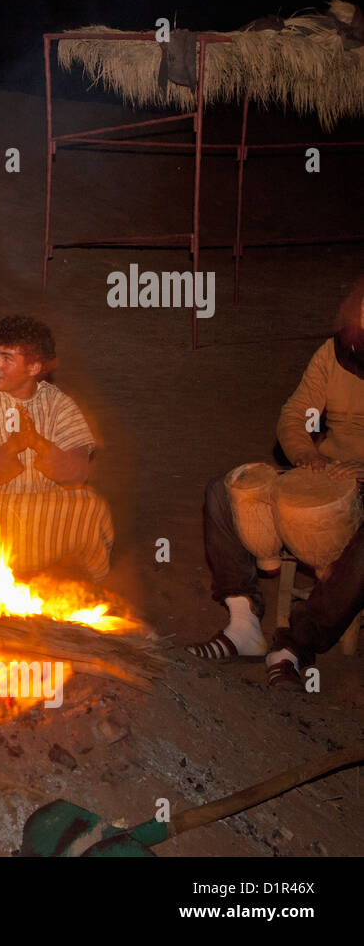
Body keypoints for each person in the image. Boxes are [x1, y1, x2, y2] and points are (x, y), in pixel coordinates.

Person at [188, 279, 364, 688]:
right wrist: (306, 453)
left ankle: (297, 644)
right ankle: (243, 622)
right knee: (223, 491)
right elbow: (297, 412)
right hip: (322, 471)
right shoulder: (336, 352)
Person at [0, 315, 113, 581]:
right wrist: (13, 446)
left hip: (44, 511)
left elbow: (78, 474)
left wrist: (37, 442)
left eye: (7, 358)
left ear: (34, 367)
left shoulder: (59, 404)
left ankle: (73, 583)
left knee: (91, 505)